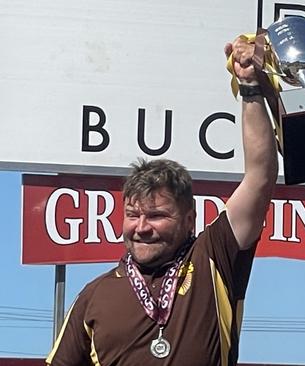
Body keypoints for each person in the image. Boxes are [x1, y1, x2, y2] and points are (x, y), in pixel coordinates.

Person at [46, 37, 277, 366]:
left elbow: (260, 176)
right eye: (132, 215)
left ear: (188, 219)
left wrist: (251, 87)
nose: (141, 228)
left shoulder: (214, 256)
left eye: (156, 216)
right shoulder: (92, 296)